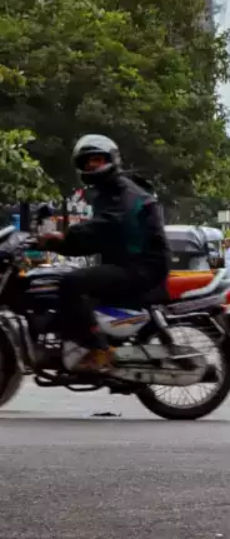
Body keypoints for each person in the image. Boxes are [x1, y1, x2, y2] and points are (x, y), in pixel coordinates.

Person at [38, 134, 170, 374]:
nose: (91, 166)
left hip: (143, 266)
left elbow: (104, 228)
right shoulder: (108, 193)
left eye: (97, 160)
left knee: (71, 282)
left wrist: (63, 238)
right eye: (87, 161)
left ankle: (97, 350)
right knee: (69, 279)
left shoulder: (124, 193)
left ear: (111, 159)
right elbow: (95, 240)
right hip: (130, 263)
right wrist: (55, 244)